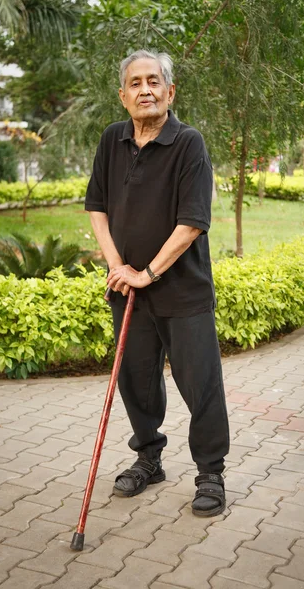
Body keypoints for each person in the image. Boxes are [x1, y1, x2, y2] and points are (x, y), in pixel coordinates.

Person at [85, 49, 229, 517]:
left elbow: (192, 222)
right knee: (136, 382)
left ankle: (210, 472)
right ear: (122, 94)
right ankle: (149, 458)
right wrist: (119, 269)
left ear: (170, 91)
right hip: (128, 290)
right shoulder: (112, 139)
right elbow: (98, 209)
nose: (144, 89)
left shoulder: (189, 143)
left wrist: (147, 272)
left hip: (181, 290)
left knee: (199, 382)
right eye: (135, 83)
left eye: (154, 81)